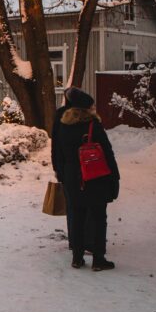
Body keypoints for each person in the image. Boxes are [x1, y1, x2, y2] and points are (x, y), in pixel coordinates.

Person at [51, 87, 120, 271]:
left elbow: (59, 152)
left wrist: (61, 172)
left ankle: (77, 257)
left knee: (78, 217)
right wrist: (114, 176)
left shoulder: (64, 126)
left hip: (72, 178)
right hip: (94, 176)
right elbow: (107, 152)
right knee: (98, 217)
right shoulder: (93, 125)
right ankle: (98, 259)